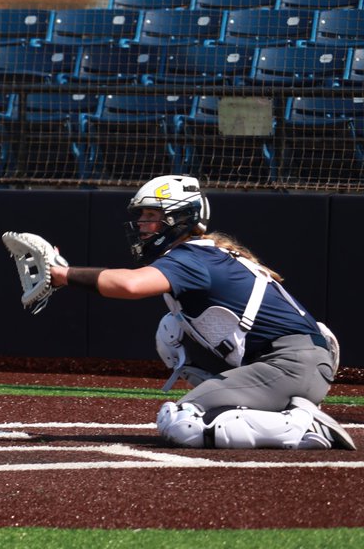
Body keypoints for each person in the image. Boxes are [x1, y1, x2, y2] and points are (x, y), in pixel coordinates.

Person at [48, 174, 354, 451]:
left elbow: (130, 285)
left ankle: (303, 427)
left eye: (152, 215)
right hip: (296, 364)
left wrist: (63, 274)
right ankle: (273, 410)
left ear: (180, 219)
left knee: (183, 422)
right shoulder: (204, 252)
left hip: (288, 366)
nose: (142, 224)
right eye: (142, 215)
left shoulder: (191, 257)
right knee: (172, 330)